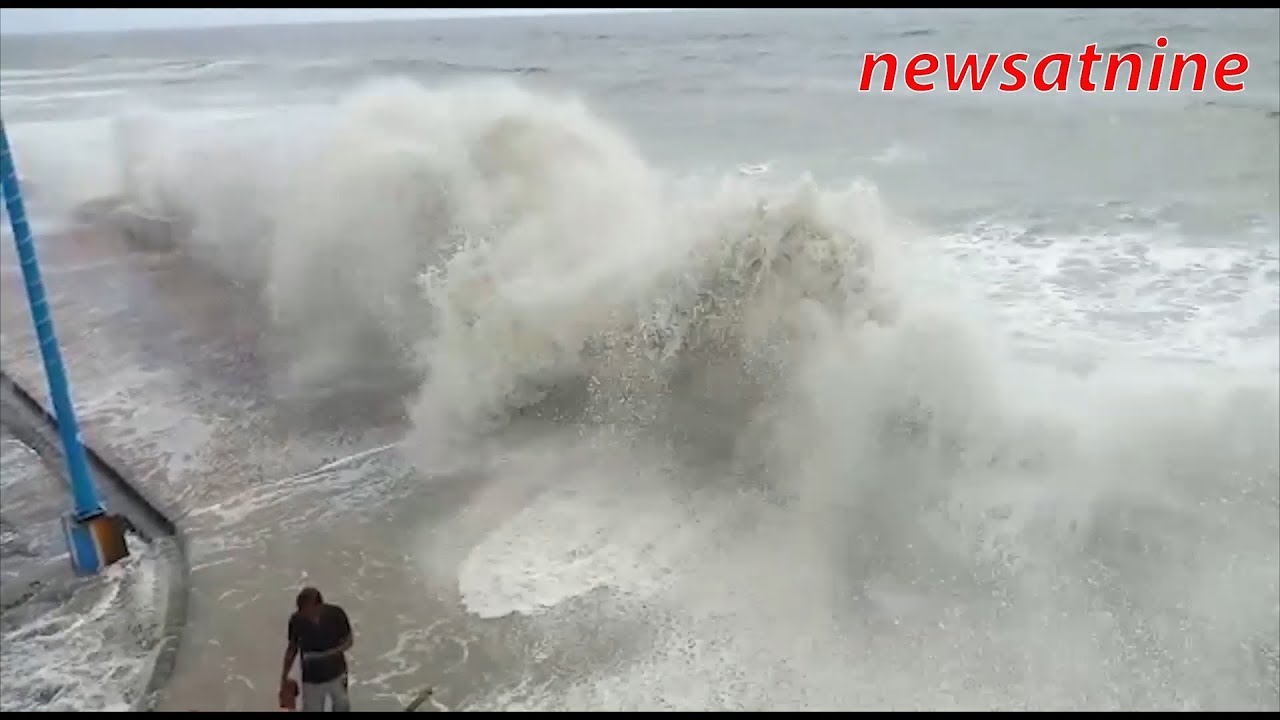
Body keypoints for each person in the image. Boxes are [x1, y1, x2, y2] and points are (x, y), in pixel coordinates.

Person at [281, 587, 353, 712]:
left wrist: (331, 653)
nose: (303, 614)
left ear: (319, 606)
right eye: (301, 610)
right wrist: (284, 676)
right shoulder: (296, 620)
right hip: (311, 678)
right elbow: (292, 649)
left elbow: (349, 641)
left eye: (307, 610)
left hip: (337, 674)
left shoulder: (336, 614)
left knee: (342, 707)